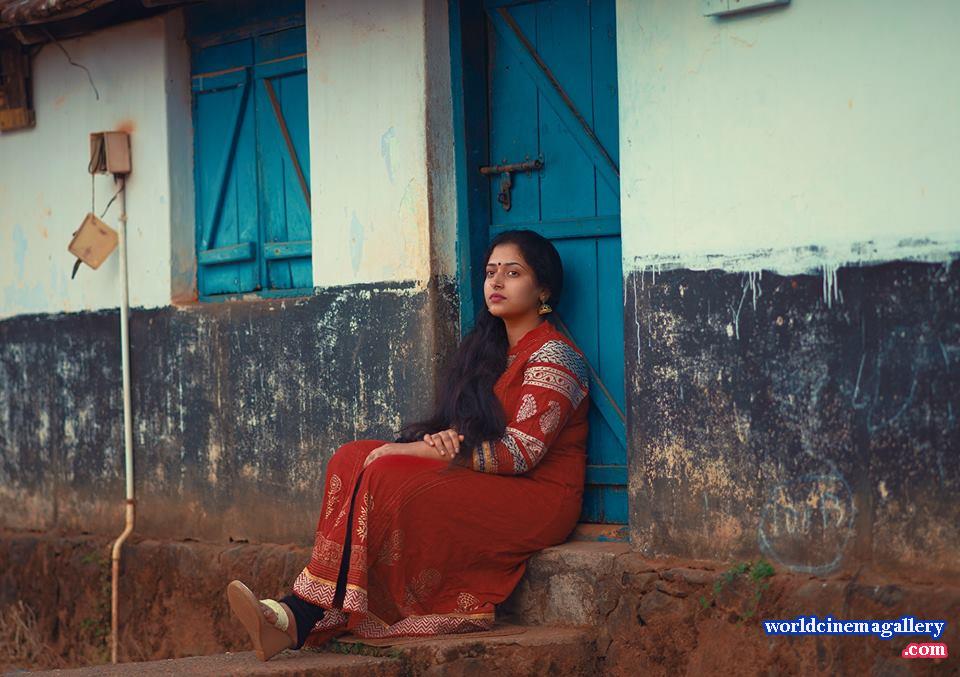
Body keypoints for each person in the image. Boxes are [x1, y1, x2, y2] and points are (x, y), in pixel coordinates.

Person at [226, 229, 590, 661]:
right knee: (352, 457)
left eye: (513, 273)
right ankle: (306, 612)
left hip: (537, 497)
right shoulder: (487, 352)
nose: (496, 281)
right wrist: (435, 441)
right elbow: (463, 432)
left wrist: (418, 450)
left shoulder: (555, 356)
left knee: (385, 471)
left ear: (543, 289)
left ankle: (300, 615)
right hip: (489, 478)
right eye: (491, 271)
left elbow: (520, 453)